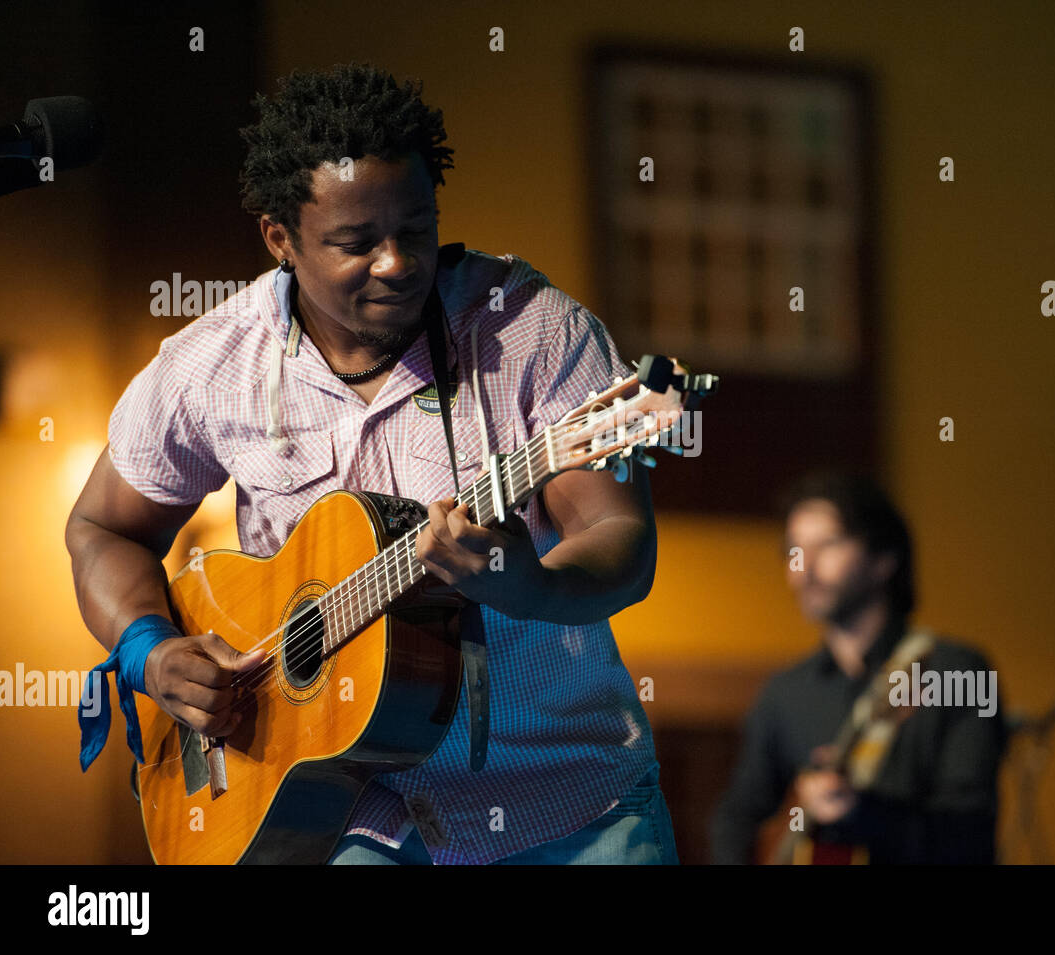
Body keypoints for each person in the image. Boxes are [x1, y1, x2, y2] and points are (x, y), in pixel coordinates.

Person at [65, 62, 678, 865]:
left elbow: (618, 534)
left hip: (564, 804)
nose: (396, 263)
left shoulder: (529, 329)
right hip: (346, 811)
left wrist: (532, 582)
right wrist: (152, 650)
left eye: (415, 229)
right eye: (357, 243)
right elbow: (103, 527)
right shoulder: (211, 364)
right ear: (279, 237)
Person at [710, 472, 1006, 864]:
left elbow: (969, 840)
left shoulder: (957, 672)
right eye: (794, 550)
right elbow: (736, 818)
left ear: (884, 559)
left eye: (828, 545)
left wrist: (862, 813)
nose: (805, 568)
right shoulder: (784, 692)